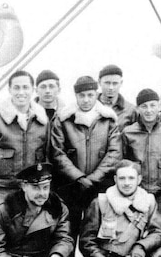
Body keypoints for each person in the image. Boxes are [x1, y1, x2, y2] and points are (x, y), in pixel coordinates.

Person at [49, 75, 122, 240]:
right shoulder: (63, 119)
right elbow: (57, 153)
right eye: (82, 95)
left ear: (96, 94)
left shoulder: (108, 120)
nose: (86, 100)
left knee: (95, 235)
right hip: (71, 187)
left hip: (99, 187)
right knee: (68, 232)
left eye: (90, 95)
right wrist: (79, 177)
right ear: (76, 96)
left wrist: (94, 178)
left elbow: (114, 153)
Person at [0, 70, 49, 206]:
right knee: (0, 226)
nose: (21, 92)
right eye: (16, 88)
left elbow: (48, 155)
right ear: (9, 90)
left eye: (25, 87)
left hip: (32, 189)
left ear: (33, 90)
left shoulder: (41, 120)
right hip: (3, 190)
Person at [121, 89, 161, 214]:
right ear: (137, 109)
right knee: (135, 230)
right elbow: (121, 164)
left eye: (153, 105)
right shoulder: (128, 133)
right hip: (135, 192)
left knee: (160, 231)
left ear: (159, 106)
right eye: (144, 106)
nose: (149, 110)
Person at [98, 64, 137, 130]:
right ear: (99, 82)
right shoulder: (91, 106)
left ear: (121, 83)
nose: (111, 87)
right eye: (107, 83)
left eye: (115, 83)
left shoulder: (131, 110)